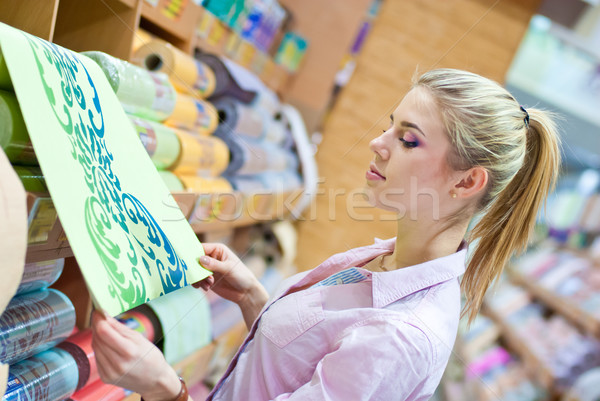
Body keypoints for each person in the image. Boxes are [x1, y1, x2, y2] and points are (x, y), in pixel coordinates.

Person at [91, 68, 561, 401]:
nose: (378, 144)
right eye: (388, 126)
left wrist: (164, 388)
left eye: (408, 139)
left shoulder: (400, 335)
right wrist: (256, 299)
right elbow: (312, 353)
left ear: (465, 183)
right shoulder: (390, 263)